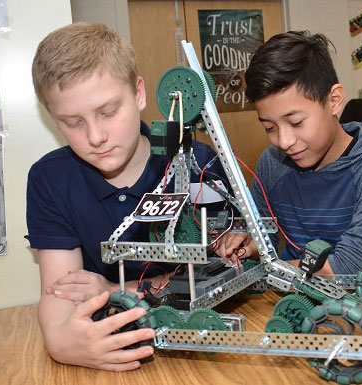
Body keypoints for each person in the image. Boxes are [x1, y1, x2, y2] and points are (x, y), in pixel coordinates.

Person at [26, 22, 224, 371]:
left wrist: (116, 286)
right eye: (73, 122)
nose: (96, 136)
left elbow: (219, 272)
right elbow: (59, 294)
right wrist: (59, 344)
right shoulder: (49, 179)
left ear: (139, 94)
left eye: (108, 111)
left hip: (197, 349)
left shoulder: (199, 164)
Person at [213, 31, 362, 274]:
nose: (284, 141)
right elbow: (265, 239)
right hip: (290, 302)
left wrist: (268, 269)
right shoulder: (272, 164)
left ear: (334, 100)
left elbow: (348, 269)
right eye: (269, 127)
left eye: (295, 122)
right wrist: (251, 245)